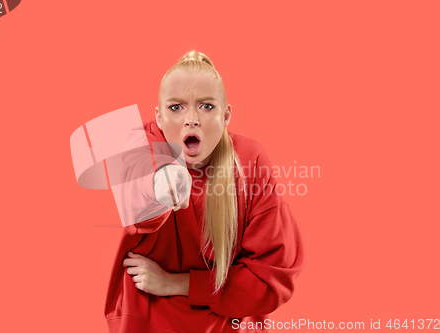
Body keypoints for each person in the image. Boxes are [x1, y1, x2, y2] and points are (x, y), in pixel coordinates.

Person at [104, 50, 304, 332]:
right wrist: (159, 183)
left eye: (206, 106)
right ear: (159, 118)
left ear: (227, 115)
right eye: (177, 107)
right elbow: (137, 205)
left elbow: (273, 279)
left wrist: (178, 283)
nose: (191, 119)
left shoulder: (251, 159)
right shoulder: (141, 143)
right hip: (151, 322)